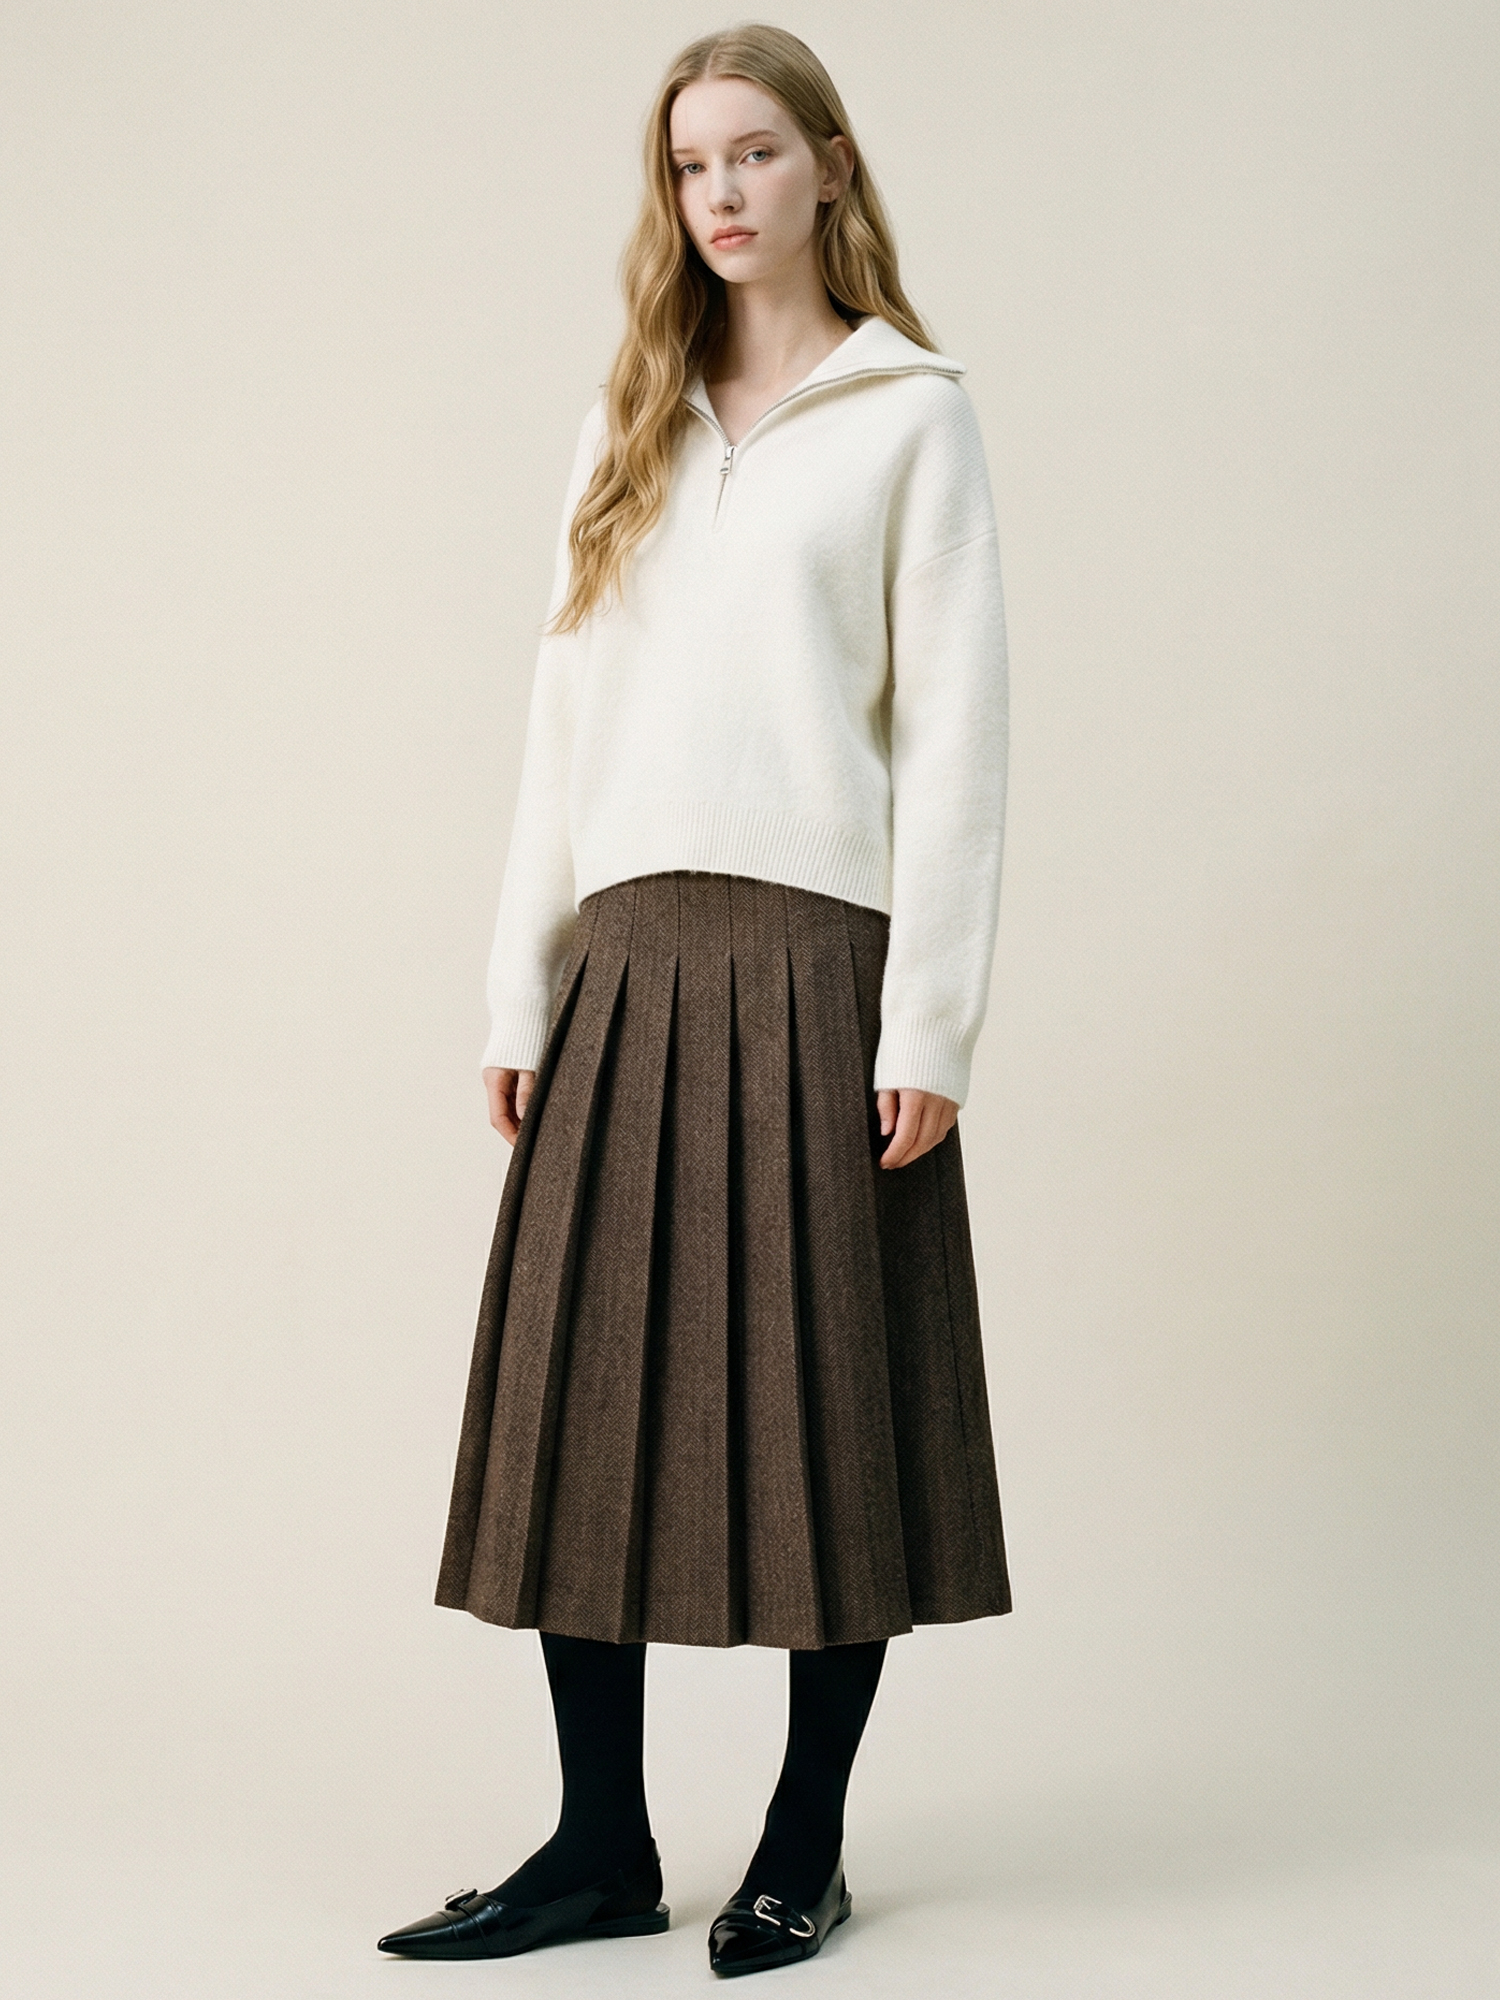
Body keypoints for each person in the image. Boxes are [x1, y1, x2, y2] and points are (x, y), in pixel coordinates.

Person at [378, 22, 1011, 1980]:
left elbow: (963, 740)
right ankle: (598, 1845)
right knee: (586, 1406)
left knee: (839, 1408)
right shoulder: (628, 415)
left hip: (823, 962)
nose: (720, 192)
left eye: (752, 153)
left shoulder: (913, 417)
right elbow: (562, 722)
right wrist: (521, 992)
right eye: (687, 164)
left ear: (829, 165)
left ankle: (803, 1845)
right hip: (629, 965)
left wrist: (929, 1026)